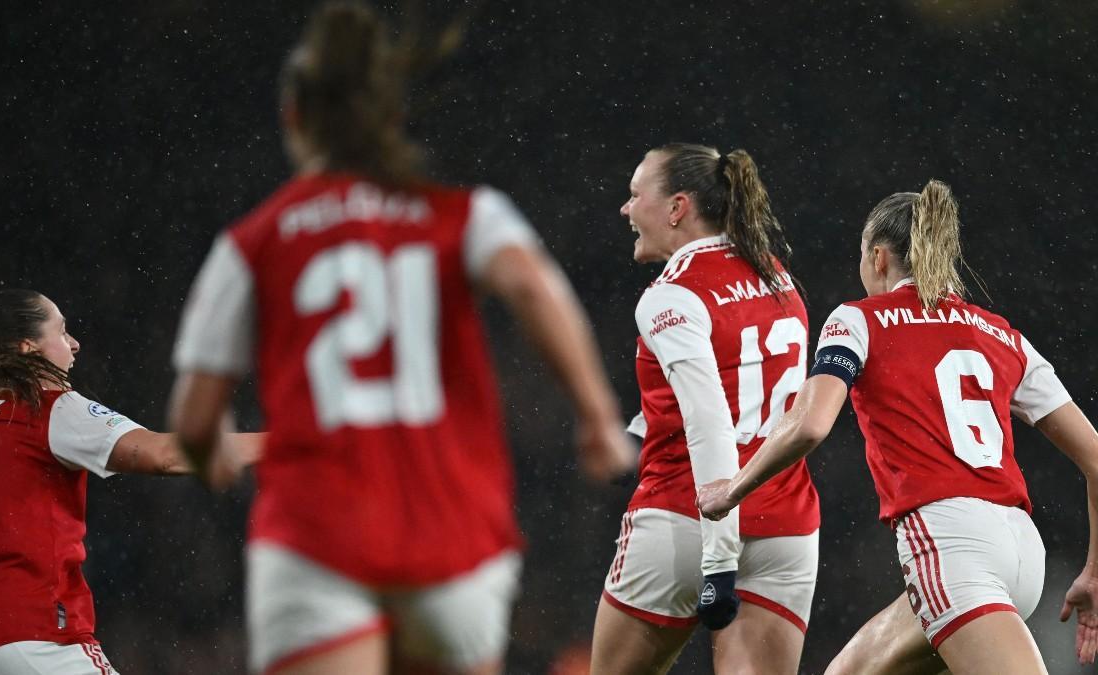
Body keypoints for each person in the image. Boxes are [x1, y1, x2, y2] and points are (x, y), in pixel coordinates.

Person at [165, 3, 636, 675]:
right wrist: (594, 414)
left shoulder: (251, 243)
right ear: (390, 117)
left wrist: (209, 450)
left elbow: (192, 413)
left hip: (316, 534)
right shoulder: (464, 214)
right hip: (449, 532)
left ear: (293, 117)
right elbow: (533, 285)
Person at [698, 179, 1098, 674]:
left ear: (880, 258)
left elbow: (810, 425)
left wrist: (732, 489)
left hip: (951, 545)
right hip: (1021, 548)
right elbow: (1095, 458)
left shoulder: (858, 320)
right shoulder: (1003, 334)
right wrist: (1096, 570)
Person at [0, 289, 259, 675]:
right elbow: (164, 455)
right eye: (62, 331)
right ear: (26, 347)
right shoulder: (48, 407)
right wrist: (294, 441)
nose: (74, 344)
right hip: (23, 634)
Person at [590, 143, 820, 675]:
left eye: (634, 195)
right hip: (786, 527)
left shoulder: (671, 295)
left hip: (688, 520)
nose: (625, 210)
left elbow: (711, 422)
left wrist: (719, 558)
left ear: (676, 208)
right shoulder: (778, 277)